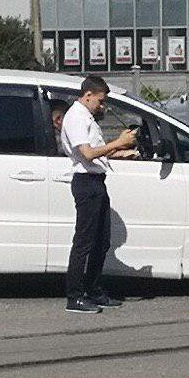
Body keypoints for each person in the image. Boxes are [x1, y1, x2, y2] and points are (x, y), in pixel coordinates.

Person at [60, 76, 137, 315]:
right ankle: (74, 296)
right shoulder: (75, 118)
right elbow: (87, 153)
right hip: (86, 182)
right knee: (84, 241)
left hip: (97, 181)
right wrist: (118, 141)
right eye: (100, 102)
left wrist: (120, 151)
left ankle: (93, 289)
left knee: (101, 241)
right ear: (88, 95)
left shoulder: (87, 118)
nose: (102, 107)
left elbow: (97, 154)